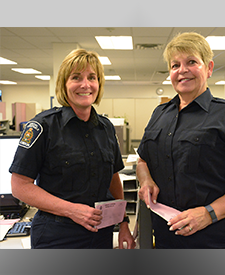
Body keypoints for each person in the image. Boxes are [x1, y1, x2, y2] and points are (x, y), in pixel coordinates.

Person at [137, 32, 225, 249]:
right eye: (175, 65)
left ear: (209, 68)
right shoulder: (160, 114)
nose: (182, 70)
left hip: (215, 238)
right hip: (168, 235)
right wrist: (146, 180)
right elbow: (143, 161)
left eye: (192, 62)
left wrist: (208, 213)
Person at [9, 49, 135, 249]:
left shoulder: (106, 127)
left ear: (99, 84)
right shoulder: (43, 126)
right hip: (56, 236)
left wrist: (124, 222)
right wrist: (71, 210)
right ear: (64, 84)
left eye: (92, 77)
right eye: (76, 77)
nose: (85, 85)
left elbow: (113, 179)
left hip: (100, 235)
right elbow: (20, 186)